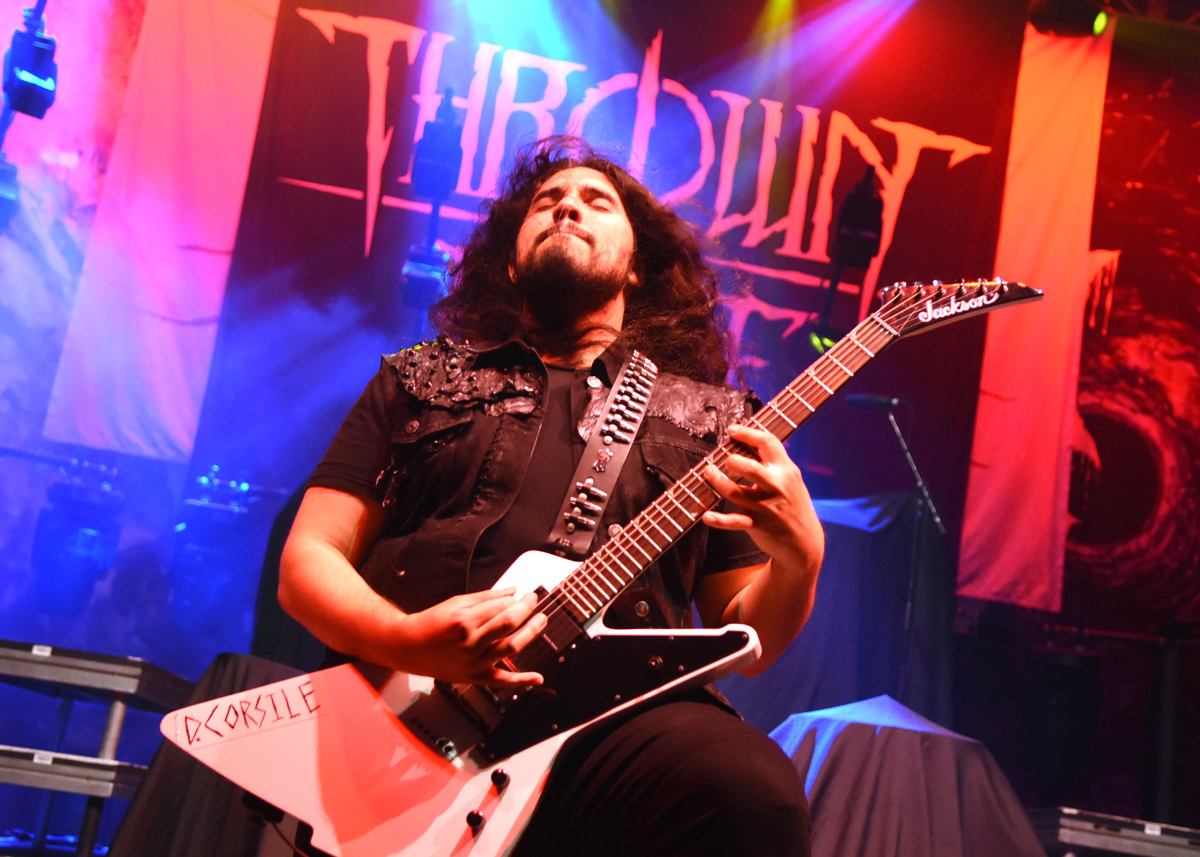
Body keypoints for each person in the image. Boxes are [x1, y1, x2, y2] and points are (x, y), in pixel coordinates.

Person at [278, 136, 825, 857]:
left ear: (634, 266)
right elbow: (308, 558)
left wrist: (801, 558)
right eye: (548, 201)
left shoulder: (710, 421)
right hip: (404, 720)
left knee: (750, 789)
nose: (568, 206)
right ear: (511, 262)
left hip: (621, 730)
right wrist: (406, 638)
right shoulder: (419, 378)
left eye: (596, 201)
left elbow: (747, 635)